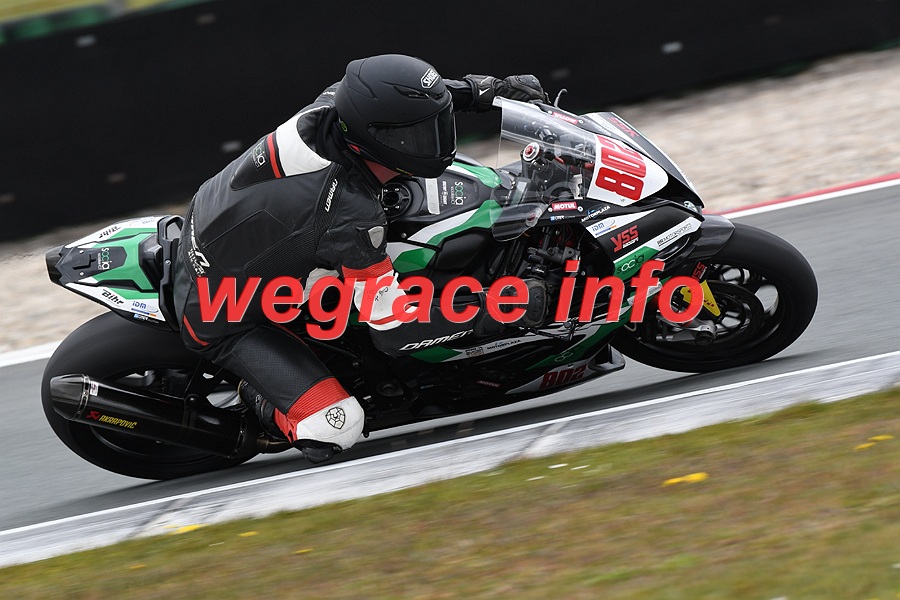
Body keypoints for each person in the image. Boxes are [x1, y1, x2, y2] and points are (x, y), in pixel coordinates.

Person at [173, 54, 547, 463]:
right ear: (377, 138)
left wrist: (485, 90)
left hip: (217, 220)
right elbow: (394, 329)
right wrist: (498, 309)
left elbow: (411, 102)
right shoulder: (348, 214)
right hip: (222, 311)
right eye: (418, 136)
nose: (435, 140)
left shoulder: (337, 102)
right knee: (337, 427)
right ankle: (260, 396)